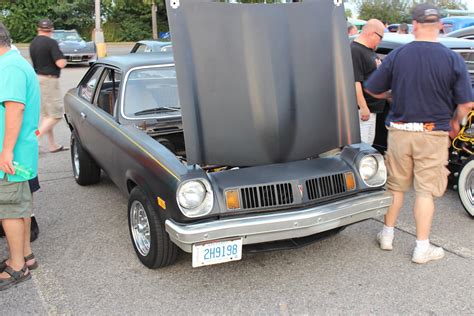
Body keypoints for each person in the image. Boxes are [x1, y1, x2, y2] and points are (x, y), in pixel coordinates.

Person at [365, 3, 473, 264]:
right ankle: (421, 248)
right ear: (439, 26)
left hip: (400, 132)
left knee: (396, 187)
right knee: (425, 192)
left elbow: (373, 89)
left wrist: (393, 96)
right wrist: (456, 122)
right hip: (432, 133)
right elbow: (467, 103)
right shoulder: (451, 59)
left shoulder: (398, 56)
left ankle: (387, 235)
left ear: (414, 26)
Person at [0, 22, 41, 290]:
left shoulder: (10, 67)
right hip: (21, 153)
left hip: (11, 156)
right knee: (21, 206)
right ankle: (26, 254)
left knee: (10, 209)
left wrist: (5, 151)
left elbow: (15, 110)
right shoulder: (15, 61)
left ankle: (17, 266)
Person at [29, 18, 68, 153]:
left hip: (38, 79)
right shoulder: (51, 43)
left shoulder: (33, 43)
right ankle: (34, 138)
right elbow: (60, 63)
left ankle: (53, 145)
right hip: (50, 81)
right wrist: (63, 57)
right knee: (56, 115)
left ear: (38, 29)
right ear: (51, 29)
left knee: (47, 115)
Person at [350, 19, 386, 145]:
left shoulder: (369, 51)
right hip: (363, 112)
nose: (380, 41)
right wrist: (363, 107)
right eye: (380, 37)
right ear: (373, 34)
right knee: (361, 150)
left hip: (372, 111)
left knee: (368, 147)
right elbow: (355, 81)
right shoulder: (355, 50)